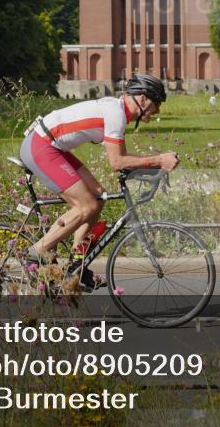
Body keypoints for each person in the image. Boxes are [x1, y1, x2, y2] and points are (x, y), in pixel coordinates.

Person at [19, 74, 180, 290]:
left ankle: (77, 265)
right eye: (156, 103)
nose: (157, 110)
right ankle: (36, 253)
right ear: (142, 99)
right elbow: (118, 162)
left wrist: (152, 165)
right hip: (41, 146)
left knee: (98, 196)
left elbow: (122, 157)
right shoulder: (116, 115)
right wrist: (159, 160)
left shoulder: (117, 111)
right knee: (86, 205)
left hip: (54, 146)